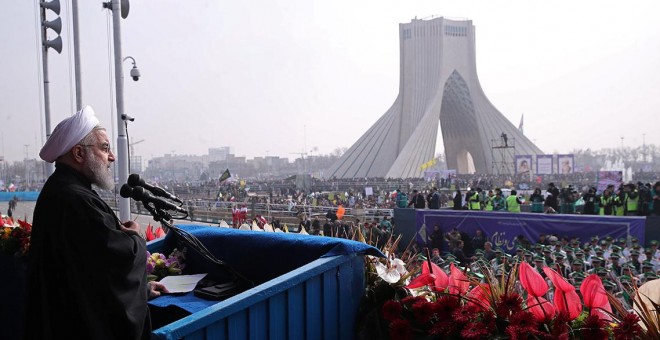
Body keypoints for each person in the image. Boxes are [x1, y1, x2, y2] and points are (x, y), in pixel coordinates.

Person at [25, 106, 167, 340]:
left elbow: (89, 271)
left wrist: (142, 290)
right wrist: (135, 237)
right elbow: (116, 260)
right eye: (105, 148)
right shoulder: (75, 199)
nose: (112, 157)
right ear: (79, 154)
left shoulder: (64, 190)